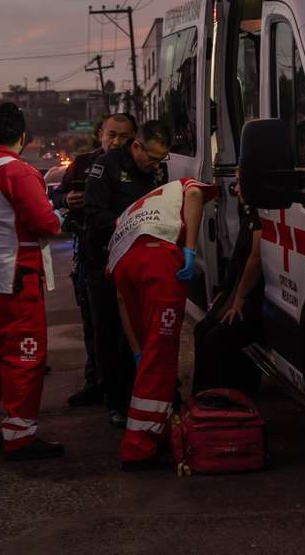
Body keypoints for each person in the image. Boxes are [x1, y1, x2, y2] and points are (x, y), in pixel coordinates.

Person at [0, 102, 65, 461]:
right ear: (22, 136)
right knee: (24, 355)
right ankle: (19, 435)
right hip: (13, 278)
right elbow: (46, 223)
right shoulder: (16, 171)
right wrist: (61, 215)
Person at [108, 177, 219, 471]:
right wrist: (190, 249)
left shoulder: (135, 209)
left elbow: (121, 299)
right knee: (161, 359)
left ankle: (151, 433)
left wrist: (136, 350)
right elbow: (195, 193)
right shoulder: (182, 185)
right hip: (158, 261)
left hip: (124, 265)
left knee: (149, 355)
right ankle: (139, 448)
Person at [81, 120, 169, 427]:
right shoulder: (105, 168)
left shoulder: (157, 170)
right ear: (136, 146)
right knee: (110, 333)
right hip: (104, 260)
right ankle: (116, 400)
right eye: (152, 158)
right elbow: (92, 213)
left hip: (142, 261)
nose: (156, 165)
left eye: (161, 160)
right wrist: (127, 222)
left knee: (142, 330)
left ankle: (144, 393)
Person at [50, 113, 136, 407]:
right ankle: (95, 383)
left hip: (127, 256)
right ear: (101, 133)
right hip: (90, 253)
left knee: (125, 329)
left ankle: (126, 387)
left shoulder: (137, 164)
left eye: (124, 137)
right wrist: (66, 201)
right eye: (111, 134)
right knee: (93, 325)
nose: (116, 142)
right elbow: (58, 194)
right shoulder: (83, 163)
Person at [192, 189, 264, 395]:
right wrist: (225, 295)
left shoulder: (261, 216)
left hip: (254, 298)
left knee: (214, 340)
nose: (235, 189)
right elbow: (237, 263)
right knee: (201, 330)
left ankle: (216, 402)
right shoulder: (249, 214)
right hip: (238, 293)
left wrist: (238, 299)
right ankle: (201, 401)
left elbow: (255, 258)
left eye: (241, 183)